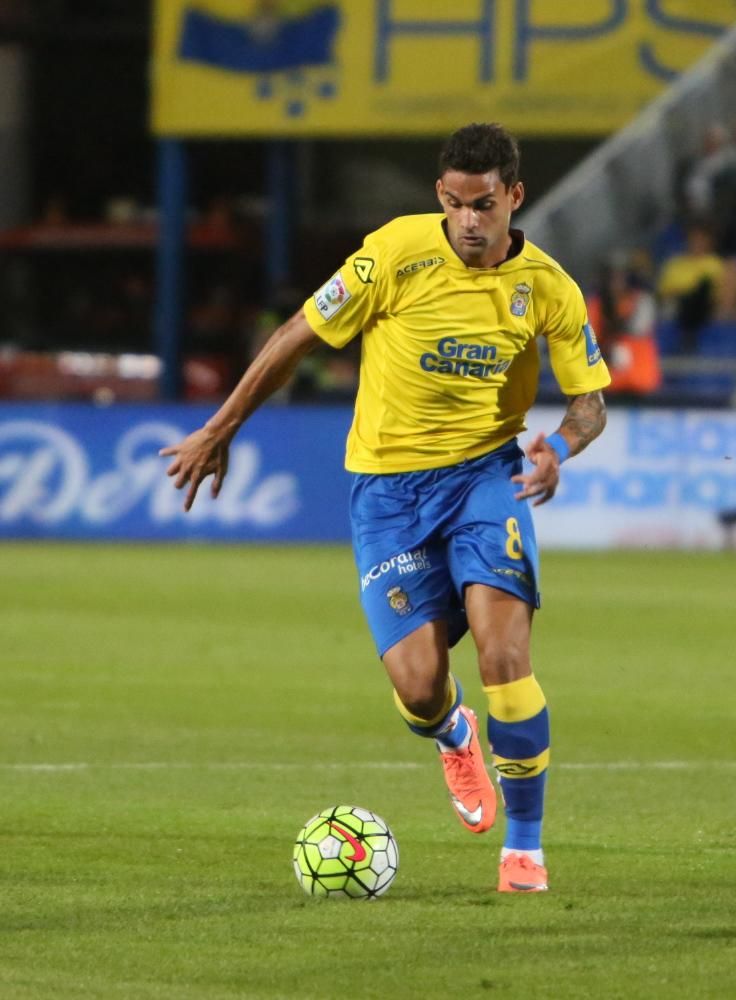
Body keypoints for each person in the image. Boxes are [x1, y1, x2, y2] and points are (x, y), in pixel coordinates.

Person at [160, 123, 611, 894]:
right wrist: (218, 426)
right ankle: (451, 732)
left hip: (484, 479)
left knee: (506, 657)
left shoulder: (549, 288)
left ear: (515, 197)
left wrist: (558, 450)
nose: (471, 220)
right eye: (458, 203)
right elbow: (298, 334)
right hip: (388, 495)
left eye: (487, 204)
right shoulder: (396, 253)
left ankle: (525, 849)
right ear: (441, 195)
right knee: (417, 686)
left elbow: (589, 402)